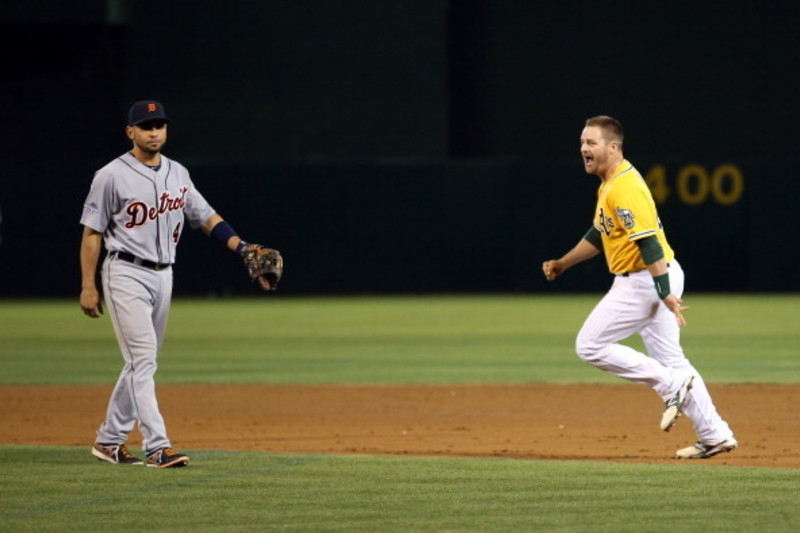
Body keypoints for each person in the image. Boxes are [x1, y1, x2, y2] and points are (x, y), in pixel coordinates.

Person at [80, 100, 277, 467]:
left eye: (160, 125)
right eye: (146, 126)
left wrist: (244, 247)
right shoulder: (109, 175)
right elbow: (91, 233)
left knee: (142, 361)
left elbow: (205, 217)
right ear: (131, 132)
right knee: (143, 360)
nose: (154, 132)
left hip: (164, 274)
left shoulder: (177, 173)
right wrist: (88, 285)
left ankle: (108, 440)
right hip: (124, 272)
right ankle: (157, 446)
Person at [541, 115, 737, 459]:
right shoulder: (611, 182)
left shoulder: (624, 187)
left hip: (646, 281)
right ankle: (715, 434)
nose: (584, 148)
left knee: (590, 345)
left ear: (613, 147)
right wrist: (563, 263)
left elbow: (649, 245)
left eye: (592, 143)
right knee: (672, 360)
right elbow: (599, 233)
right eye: (582, 142)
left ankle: (671, 386)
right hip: (655, 278)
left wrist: (664, 293)